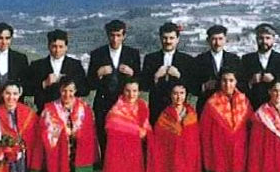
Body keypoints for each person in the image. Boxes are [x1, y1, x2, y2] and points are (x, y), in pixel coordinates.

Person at [89, 20, 141, 152]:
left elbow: (141, 81)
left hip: (125, 103)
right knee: (104, 137)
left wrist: (132, 73)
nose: (115, 39)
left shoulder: (133, 53)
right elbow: (89, 84)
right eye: (112, 35)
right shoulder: (97, 54)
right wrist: (98, 74)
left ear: (124, 36)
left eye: (118, 35)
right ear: (107, 35)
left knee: (125, 138)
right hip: (103, 104)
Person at [141, 22, 195, 125]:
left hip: (179, 111)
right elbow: (144, 86)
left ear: (177, 39)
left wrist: (178, 75)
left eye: (171, 38)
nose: (168, 41)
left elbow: (192, 87)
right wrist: (156, 76)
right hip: (157, 110)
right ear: (160, 38)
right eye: (165, 38)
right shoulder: (150, 58)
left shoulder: (187, 60)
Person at [29, 29, 90, 113]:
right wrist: (44, 83)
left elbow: (85, 90)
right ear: (48, 46)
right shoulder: (37, 65)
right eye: (54, 46)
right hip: (44, 112)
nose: (57, 50)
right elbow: (28, 90)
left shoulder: (75, 65)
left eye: (61, 47)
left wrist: (70, 85)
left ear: (66, 47)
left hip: (69, 112)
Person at [240, 23, 280, 109]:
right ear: (256, 39)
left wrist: (274, 80)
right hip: (253, 108)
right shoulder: (247, 59)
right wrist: (250, 82)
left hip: (276, 108)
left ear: (273, 40)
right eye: (261, 38)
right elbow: (239, 86)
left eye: (268, 38)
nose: (264, 41)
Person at [192, 24, 241, 113]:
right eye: (214, 39)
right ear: (208, 40)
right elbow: (192, 86)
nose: (217, 43)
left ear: (225, 39)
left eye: (220, 39)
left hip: (229, 106)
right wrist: (204, 86)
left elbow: (241, 82)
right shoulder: (199, 60)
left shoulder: (235, 59)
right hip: (206, 107)